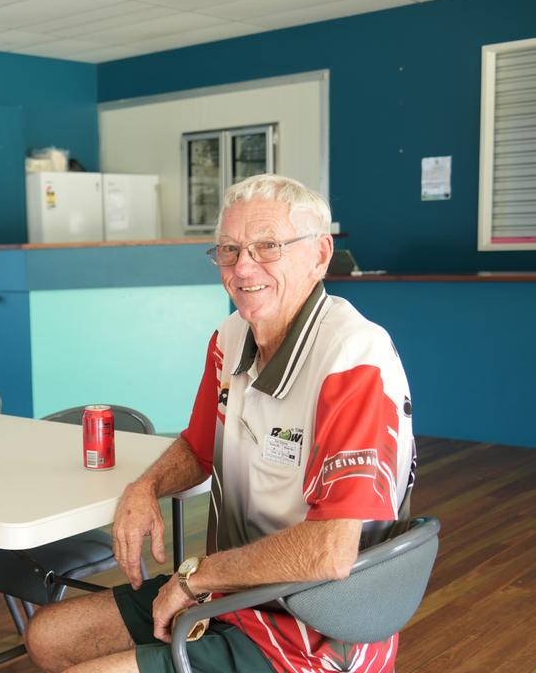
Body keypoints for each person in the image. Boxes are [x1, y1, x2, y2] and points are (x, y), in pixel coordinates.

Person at [24, 174, 416, 672]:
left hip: (314, 631)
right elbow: (197, 447)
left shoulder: (353, 358)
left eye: (267, 246)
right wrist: (145, 487)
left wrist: (193, 578)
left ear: (320, 255)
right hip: (230, 594)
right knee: (48, 636)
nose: (243, 267)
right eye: (228, 250)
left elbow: (332, 551)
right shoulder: (231, 336)